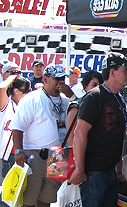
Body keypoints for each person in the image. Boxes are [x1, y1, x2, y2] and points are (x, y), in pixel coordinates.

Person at [69, 52, 127, 207]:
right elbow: (79, 133)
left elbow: (117, 135)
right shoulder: (94, 96)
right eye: (125, 70)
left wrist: (118, 169)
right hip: (94, 172)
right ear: (112, 72)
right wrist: (79, 168)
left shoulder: (117, 97)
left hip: (110, 171)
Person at [10, 64, 69, 207]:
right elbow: (17, 127)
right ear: (45, 79)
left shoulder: (66, 101)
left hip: (58, 155)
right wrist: (18, 151)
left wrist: (71, 94)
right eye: (56, 78)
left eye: (62, 78)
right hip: (35, 154)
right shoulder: (32, 99)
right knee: (28, 199)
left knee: (47, 199)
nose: (60, 82)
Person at [0, 76, 30, 207]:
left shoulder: (26, 106)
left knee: (18, 195)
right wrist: (12, 77)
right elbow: (1, 88)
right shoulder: (7, 104)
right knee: (5, 196)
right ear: (16, 91)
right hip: (5, 157)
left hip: (21, 156)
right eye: (25, 92)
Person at [66, 70, 103, 146]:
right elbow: (71, 141)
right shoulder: (76, 107)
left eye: (100, 85)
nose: (98, 88)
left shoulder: (104, 106)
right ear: (85, 86)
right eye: (94, 85)